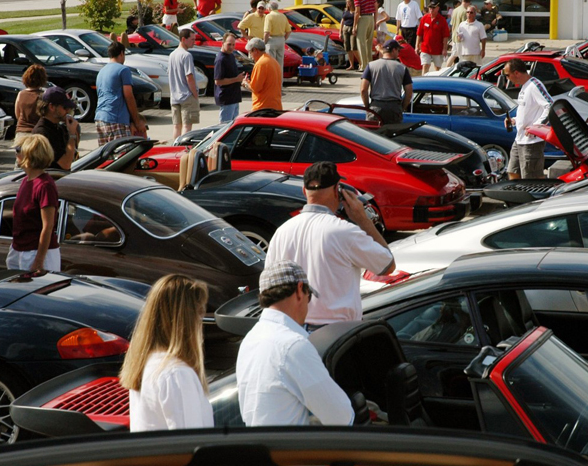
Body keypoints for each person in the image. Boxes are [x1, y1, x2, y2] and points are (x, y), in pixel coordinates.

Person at [265, 161, 394, 327]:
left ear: (304, 190)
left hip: (293, 327)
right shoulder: (345, 231)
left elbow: (270, 285)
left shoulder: (281, 232)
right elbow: (387, 265)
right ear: (336, 190)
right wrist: (363, 220)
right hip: (338, 331)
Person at [235, 260, 353, 426]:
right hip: (290, 443)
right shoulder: (293, 345)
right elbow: (341, 417)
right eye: (309, 296)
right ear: (299, 290)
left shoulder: (250, 340)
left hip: (259, 441)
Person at [121, 275, 213, 431]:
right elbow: (191, 440)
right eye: (199, 313)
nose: (201, 323)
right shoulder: (177, 374)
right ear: (187, 320)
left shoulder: (148, 361)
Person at [8, 134, 60, 272]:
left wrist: (39, 261)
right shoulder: (26, 181)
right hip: (19, 249)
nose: (16, 153)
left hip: (35, 252)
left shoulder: (45, 185)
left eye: (19, 149)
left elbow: (48, 226)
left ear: (30, 154)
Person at [503, 59, 552, 180]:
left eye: (507, 75)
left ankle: (540, 193)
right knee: (512, 172)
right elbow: (527, 110)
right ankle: (515, 193)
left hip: (532, 142)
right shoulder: (525, 87)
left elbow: (550, 106)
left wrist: (536, 127)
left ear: (516, 73)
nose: (507, 79)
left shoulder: (534, 85)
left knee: (531, 178)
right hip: (519, 139)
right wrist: (514, 120)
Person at [95, 41, 147, 145]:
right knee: (123, 152)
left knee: (106, 153)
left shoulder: (101, 71)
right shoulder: (123, 70)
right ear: (122, 53)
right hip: (116, 119)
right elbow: (128, 95)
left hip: (100, 118)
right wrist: (136, 121)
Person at [361, 39, 413, 124]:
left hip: (376, 106)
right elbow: (409, 92)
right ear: (394, 50)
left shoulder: (371, 66)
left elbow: (363, 89)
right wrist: (402, 107)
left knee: (373, 132)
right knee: (393, 132)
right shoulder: (402, 68)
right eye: (398, 51)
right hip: (394, 107)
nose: (398, 53)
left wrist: (367, 106)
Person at [31, 86, 78, 170]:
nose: (68, 111)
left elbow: (73, 157)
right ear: (52, 107)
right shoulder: (42, 132)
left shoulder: (58, 128)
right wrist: (72, 135)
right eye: (65, 107)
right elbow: (66, 164)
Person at [169, 28, 200, 138]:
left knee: (177, 126)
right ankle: (183, 146)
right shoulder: (187, 55)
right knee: (187, 125)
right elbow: (189, 77)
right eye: (192, 39)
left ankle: (175, 146)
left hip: (174, 96)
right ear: (183, 39)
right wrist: (195, 94)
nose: (194, 42)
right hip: (187, 95)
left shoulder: (172, 55)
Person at [243, 38, 282, 111]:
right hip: (276, 106)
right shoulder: (273, 61)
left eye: (250, 52)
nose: (250, 56)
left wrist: (245, 83)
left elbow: (255, 88)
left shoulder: (260, 64)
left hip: (263, 108)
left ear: (255, 50)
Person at [214, 33, 245, 123]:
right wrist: (236, 79)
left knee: (234, 125)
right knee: (225, 126)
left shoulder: (231, 55)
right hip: (226, 98)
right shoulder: (220, 59)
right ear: (222, 43)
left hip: (234, 97)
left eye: (233, 45)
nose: (231, 47)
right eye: (229, 44)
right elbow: (218, 81)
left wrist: (241, 79)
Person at [14, 64, 48, 140]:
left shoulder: (21, 94)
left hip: (21, 132)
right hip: (38, 133)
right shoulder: (43, 95)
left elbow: (17, 115)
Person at [415, 1, 449, 74]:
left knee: (437, 68)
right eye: (430, 7)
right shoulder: (424, 18)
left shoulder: (442, 20)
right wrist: (417, 46)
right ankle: (424, 80)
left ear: (438, 8)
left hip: (437, 49)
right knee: (425, 65)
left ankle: (436, 80)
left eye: (433, 8)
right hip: (425, 48)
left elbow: (445, 36)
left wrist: (444, 49)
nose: (431, 9)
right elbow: (419, 34)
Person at [351, 0, 377, 70]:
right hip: (371, 18)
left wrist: (354, 26)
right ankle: (370, 63)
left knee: (361, 42)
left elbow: (357, 12)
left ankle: (364, 65)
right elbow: (375, 8)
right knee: (369, 42)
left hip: (363, 18)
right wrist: (375, 21)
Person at [264, 1, 292, 71]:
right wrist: (284, 39)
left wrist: (264, 42)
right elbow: (288, 31)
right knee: (280, 63)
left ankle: (272, 78)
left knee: (271, 62)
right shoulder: (283, 16)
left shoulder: (269, 16)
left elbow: (267, 32)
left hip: (272, 39)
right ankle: (280, 78)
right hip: (281, 39)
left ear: (269, 8)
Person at [447, 0, 472, 66]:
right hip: (461, 38)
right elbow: (465, 26)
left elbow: (452, 24)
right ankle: (449, 68)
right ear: (468, 3)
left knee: (454, 54)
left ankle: (447, 68)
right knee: (460, 56)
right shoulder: (464, 12)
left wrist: (452, 37)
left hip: (455, 36)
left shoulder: (455, 10)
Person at [341, 0, 360, 71]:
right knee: (347, 48)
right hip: (345, 28)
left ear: (352, 2)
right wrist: (340, 31)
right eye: (347, 2)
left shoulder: (355, 10)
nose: (348, 3)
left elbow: (358, 20)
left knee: (353, 47)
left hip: (352, 28)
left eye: (349, 1)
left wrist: (355, 28)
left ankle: (361, 63)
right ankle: (351, 65)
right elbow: (342, 20)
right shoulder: (345, 10)